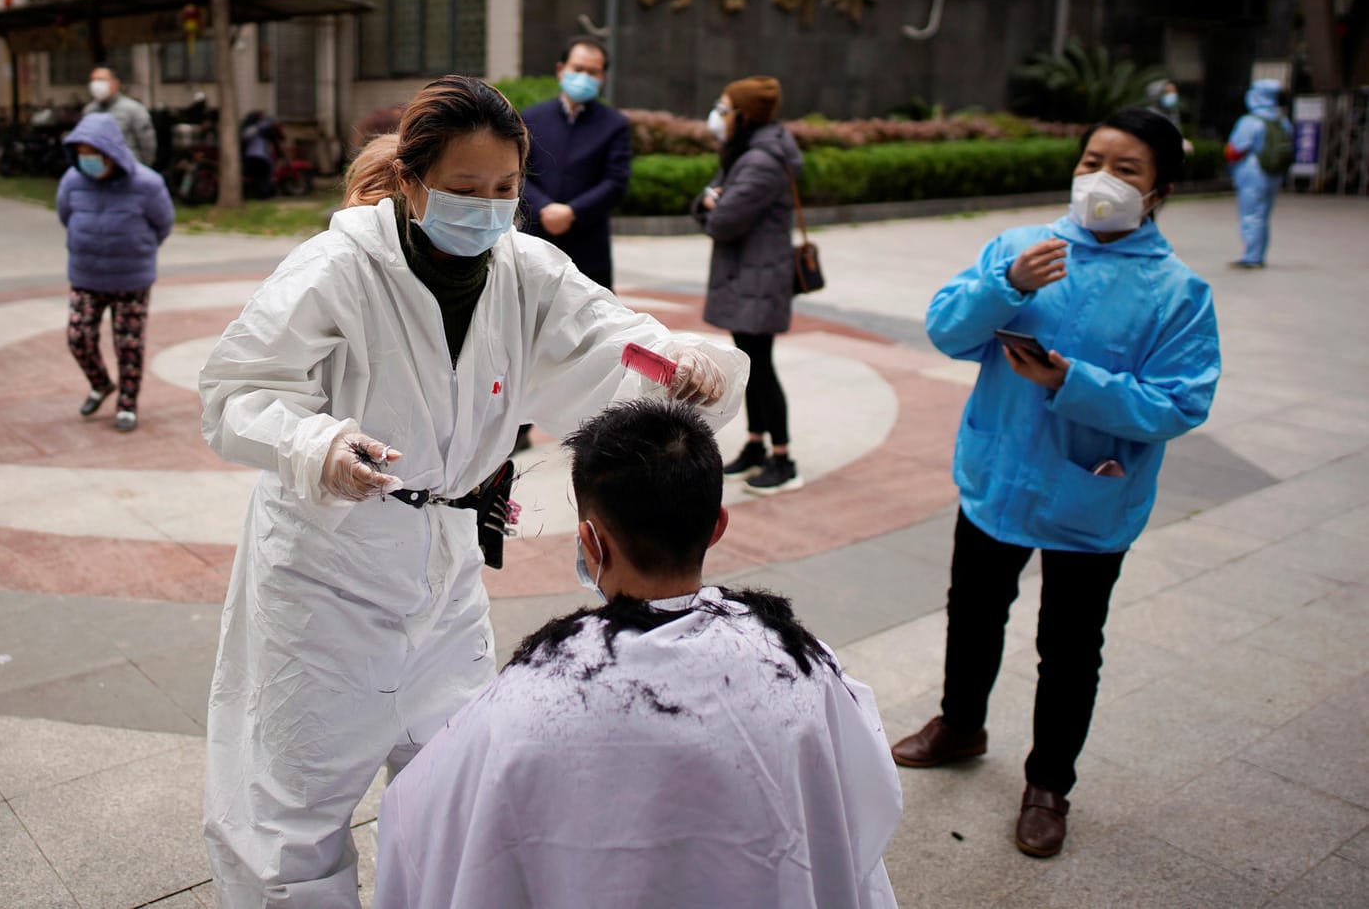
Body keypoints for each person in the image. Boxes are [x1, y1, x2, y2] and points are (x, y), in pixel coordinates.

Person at [197, 75, 748, 907]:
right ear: (413, 183)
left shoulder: (524, 267)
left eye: (505, 189)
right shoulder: (337, 267)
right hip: (324, 568)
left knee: (454, 772)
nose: (488, 208)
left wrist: (674, 361)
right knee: (294, 794)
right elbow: (235, 391)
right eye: (464, 190)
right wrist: (317, 443)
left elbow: (605, 334)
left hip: (445, 566)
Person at [374, 399, 902, 909]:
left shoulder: (528, 697)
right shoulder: (801, 668)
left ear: (590, 541)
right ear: (717, 526)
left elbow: (419, 821)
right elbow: (866, 808)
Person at [890, 107, 1220, 859]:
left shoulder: (1176, 292)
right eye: (1090, 161)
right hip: (995, 474)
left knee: (1069, 646)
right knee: (972, 610)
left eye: (1125, 169)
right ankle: (959, 722)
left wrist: (1074, 380)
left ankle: (1047, 784)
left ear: (1160, 189)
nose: (1101, 179)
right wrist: (1003, 285)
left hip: (1087, 493)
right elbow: (948, 330)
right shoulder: (1019, 248)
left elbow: (1178, 401)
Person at [694, 76, 807, 496]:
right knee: (752, 364)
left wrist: (711, 205)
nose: (717, 115)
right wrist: (710, 202)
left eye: (724, 107)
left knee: (760, 368)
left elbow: (723, 219)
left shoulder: (760, 161)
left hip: (759, 277)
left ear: (743, 115)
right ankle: (757, 444)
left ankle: (784, 458)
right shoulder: (746, 152)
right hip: (749, 275)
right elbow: (708, 199)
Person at [58, 113, 173, 430]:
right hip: (86, 277)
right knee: (78, 337)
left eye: (92, 154)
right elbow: (65, 215)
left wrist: (139, 248)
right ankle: (100, 383)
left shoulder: (147, 184)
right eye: (81, 154)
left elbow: (163, 224)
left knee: (128, 345)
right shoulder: (72, 181)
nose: (87, 160)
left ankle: (127, 403)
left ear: (112, 152)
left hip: (130, 279)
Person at [517, 37, 633, 290]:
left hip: (588, 245)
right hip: (536, 239)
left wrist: (573, 212)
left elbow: (616, 182)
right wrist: (544, 208)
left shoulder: (615, 125)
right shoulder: (531, 117)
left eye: (592, 72)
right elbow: (515, 173)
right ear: (561, 70)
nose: (584, 77)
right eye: (578, 69)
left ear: (602, 78)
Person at [1224, 77, 1293, 270]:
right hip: (1274, 174)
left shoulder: (1250, 121)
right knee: (1263, 215)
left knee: (1251, 214)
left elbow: (1235, 150)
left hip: (1252, 173)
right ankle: (1258, 253)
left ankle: (1251, 257)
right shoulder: (1282, 121)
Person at [82, 64, 159, 168]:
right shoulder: (89, 111)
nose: (96, 84)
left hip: (129, 171)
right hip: (98, 171)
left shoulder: (133, 109)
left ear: (115, 83)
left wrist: (142, 169)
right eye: (93, 80)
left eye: (101, 80)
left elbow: (147, 144)